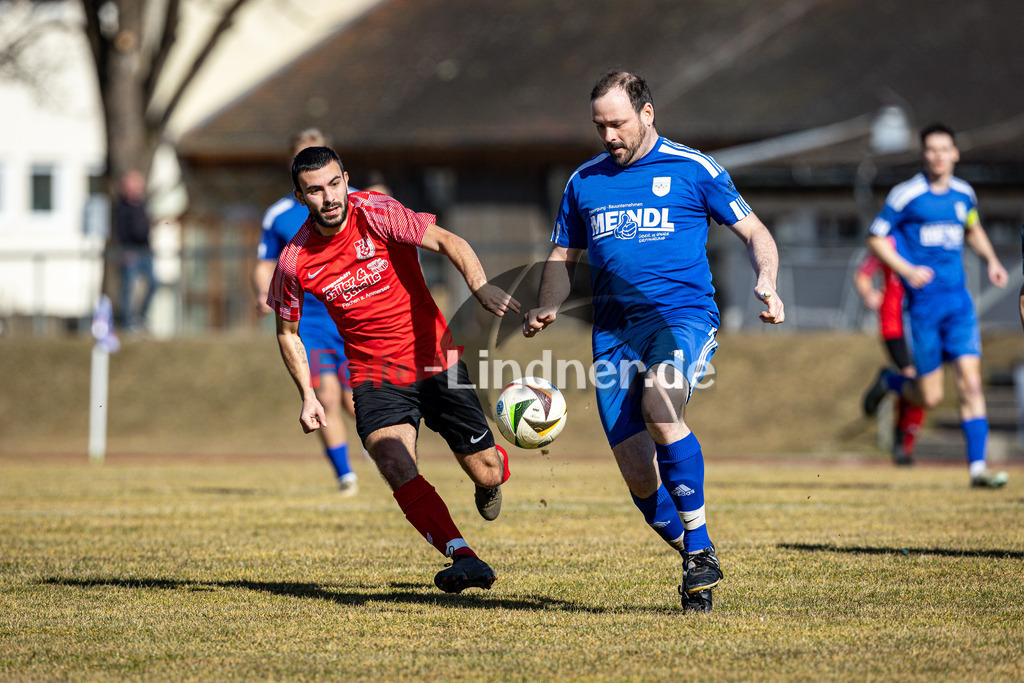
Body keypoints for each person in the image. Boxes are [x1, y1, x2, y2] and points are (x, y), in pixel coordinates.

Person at [523, 70, 785, 613]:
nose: (609, 136)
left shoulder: (695, 169)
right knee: (640, 477)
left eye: (617, 124)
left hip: (681, 318)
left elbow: (756, 232)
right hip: (613, 333)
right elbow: (560, 258)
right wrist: (548, 303)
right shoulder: (583, 181)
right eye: (599, 127)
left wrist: (767, 281)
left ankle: (698, 551)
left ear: (646, 114)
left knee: (660, 406)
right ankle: (699, 556)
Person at [267, 145, 519, 593]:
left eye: (333, 184)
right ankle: (462, 555)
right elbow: (288, 332)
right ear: (299, 197)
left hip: (436, 360)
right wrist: (307, 394)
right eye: (314, 191)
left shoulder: (377, 213)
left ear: (345, 178)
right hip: (374, 377)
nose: (328, 198)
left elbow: (448, 241)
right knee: (393, 459)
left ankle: (492, 473)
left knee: (486, 471)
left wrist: (480, 288)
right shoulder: (294, 260)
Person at [863, 122, 1009, 488]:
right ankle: (892, 381)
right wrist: (907, 270)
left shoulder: (964, 195)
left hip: (959, 304)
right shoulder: (905, 195)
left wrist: (991, 260)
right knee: (930, 396)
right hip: (924, 308)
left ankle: (977, 469)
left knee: (971, 384)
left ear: (955, 153)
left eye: (945, 149)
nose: (938, 155)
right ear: (924, 154)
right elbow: (876, 238)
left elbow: (972, 228)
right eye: (931, 149)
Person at [253, 129, 358, 495]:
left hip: (351, 310)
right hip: (309, 320)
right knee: (325, 396)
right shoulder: (279, 215)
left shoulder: (353, 201)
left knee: (354, 401)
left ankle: (386, 456)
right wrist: (261, 293)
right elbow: (266, 263)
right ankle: (345, 475)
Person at [853, 239, 926, 465]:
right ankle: (889, 382)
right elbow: (863, 273)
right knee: (912, 378)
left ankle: (903, 447)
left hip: (924, 322)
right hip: (894, 323)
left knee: (922, 387)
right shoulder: (890, 243)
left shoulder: (926, 241)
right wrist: (868, 294)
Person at [114, 169, 156, 331]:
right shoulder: (122, 207)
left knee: (154, 283)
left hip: (145, 250)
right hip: (130, 251)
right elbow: (120, 230)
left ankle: (141, 317)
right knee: (128, 287)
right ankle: (127, 323)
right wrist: (124, 250)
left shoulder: (144, 204)